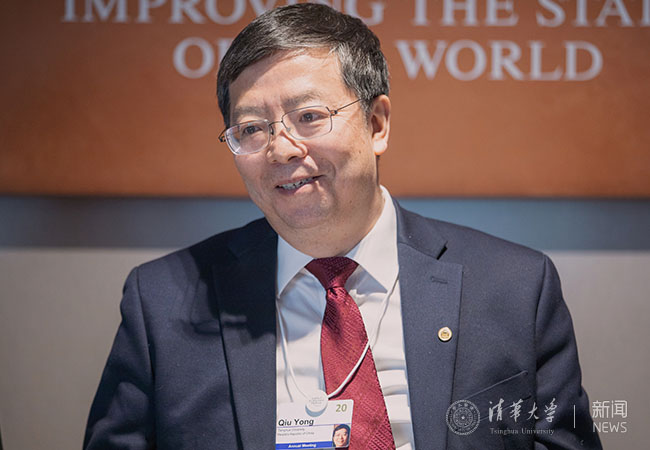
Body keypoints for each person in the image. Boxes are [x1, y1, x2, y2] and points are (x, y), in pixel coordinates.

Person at [84, 4, 601, 449]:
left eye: (309, 116)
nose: (282, 149)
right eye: (252, 129)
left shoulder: (512, 287)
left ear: (377, 124)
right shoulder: (163, 301)